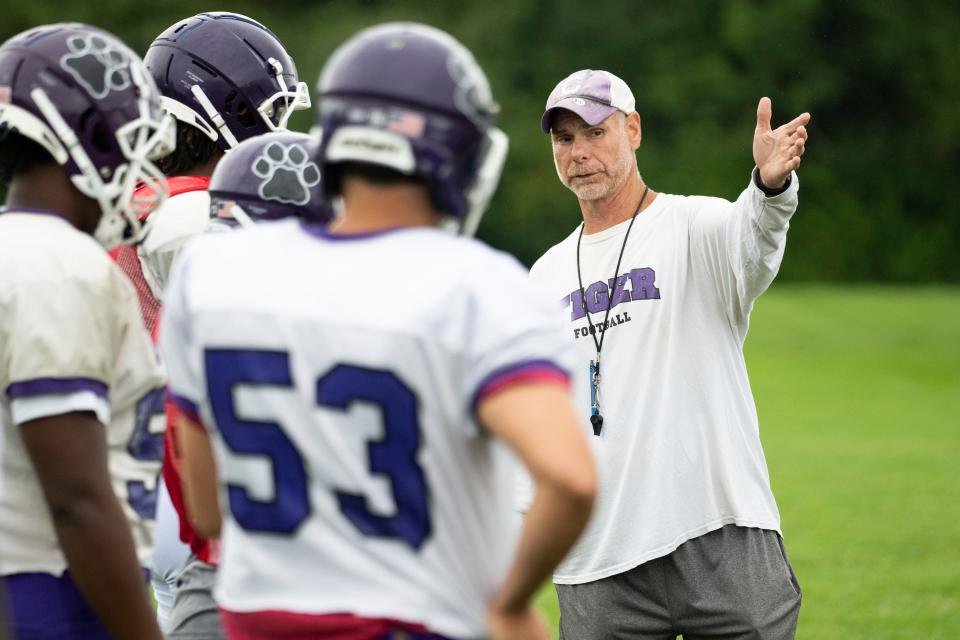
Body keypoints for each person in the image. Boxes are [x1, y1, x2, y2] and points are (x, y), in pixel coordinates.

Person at [160, 22, 597, 640]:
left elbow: (206, 507)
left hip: (255, 619)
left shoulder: (214, 272)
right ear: (457, 153)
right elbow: (572, 479)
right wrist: (508, 602)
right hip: (413, 620)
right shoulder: (480, 288)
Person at [530, 68, 810, 639]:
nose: (579, 152)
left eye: (594, 132)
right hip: (599, 560)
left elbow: (754, 240)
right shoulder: (545, 274)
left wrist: (770, 188)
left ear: (633, 130)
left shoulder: (696, 225)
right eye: (564, 139)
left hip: (720, 534)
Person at [111, 12, 311, 632]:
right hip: (200, 480)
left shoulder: (126, 197)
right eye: (272, 113)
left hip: (132, 468)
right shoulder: (203, 214)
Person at [0, 22, 173, 639]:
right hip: (53, 592)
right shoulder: (56, 268)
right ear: (87, 137)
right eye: (131, 143)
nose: (138, 169)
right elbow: (75, 496)